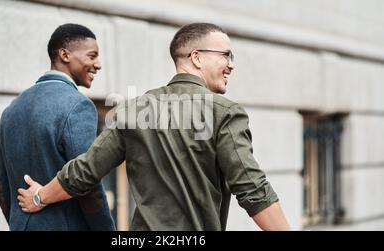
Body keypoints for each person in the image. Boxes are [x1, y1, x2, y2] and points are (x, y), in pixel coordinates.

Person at [17, 23, 290, 230]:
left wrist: (40, 197)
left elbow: (85, 171)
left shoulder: (133, 110)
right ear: (196, 57)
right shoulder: (224, 112)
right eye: (226, 55)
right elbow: (253, 190)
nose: (231, 65)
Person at [0, 23, 115, 231]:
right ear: (64, 55)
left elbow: (2, 188)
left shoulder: (12, 109)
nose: (98, 65)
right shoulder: (79, 105)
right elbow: (87, 183)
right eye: (92, 56)